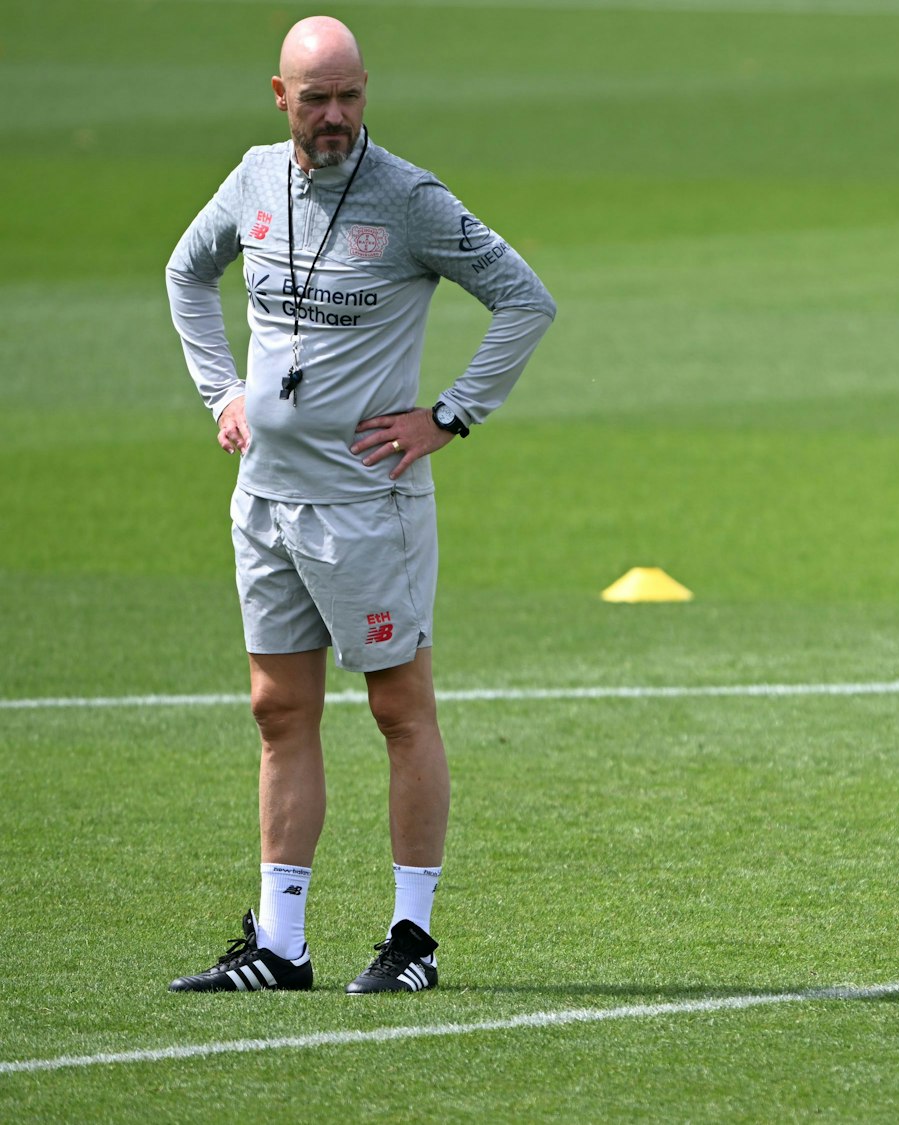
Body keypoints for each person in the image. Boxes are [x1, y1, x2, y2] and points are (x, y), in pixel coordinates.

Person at [163, 15, 555, 994]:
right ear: (279, 95)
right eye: (316, 97)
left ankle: (412, 941)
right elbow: (185, 272)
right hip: (265, 499)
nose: (334, 116)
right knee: (276, 709)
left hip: (365, 507)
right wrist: (222, 392)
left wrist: (449, 416)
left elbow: (524, 299)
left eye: (349, 96)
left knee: (398, 710)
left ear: (364, 92)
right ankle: (281, 946)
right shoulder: (253, 181)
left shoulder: (409, 199)